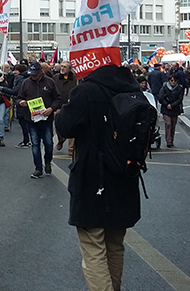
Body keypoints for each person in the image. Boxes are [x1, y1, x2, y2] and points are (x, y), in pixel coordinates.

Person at [55, 64, 143, 291]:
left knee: (93, 247)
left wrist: (68, 105)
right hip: (124, 178)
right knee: (115, 245)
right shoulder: (132, 88)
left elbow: (66, 126)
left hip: (92, 179)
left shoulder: (86, 91)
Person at [17, 61, 61, 179]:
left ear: (41, 72)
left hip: (46, 119)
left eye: (35, 74)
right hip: (31, 119)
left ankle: (47, 161)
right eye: (31, 74)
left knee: (48, 143)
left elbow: (58, 98)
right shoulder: (26, 83)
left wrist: (51, 108)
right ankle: (38, 168)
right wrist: (21, 102)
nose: (32, 76)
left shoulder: (50, 82)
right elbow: (19, 97)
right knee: (35, 144)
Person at [0, 63, 30, 148]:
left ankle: (26, 141)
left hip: (22, 102)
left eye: (16, 70)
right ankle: (27, 140)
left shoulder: (21, 79)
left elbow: (15, 91)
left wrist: (2, 88)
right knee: (25, 123)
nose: (14, 72)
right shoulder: (22, 78)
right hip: (22, 102)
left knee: (24, 122)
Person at [53, 61, 79, 156]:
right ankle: (61, 139)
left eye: (65, 67)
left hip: (71, 106)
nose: (62, 68)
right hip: (58, 105)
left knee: (73, 126)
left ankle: (71, 149)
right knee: (58, 125)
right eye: (61, 66)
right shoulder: (55, 78)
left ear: (70, 69)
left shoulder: (76, 79)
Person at [157, 74, 184, 148]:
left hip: (175, 108)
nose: (173, 82)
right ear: (169, 80)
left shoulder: (180, 88)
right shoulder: (165, 87)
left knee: (173, 125)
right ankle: (168, 141)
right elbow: (160, 97)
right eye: (172, 80)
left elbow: (180, 99)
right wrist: (167, 104)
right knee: (168, 123)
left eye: (175, 80)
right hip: (166, 108)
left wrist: (172, 105)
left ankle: (171, 139)